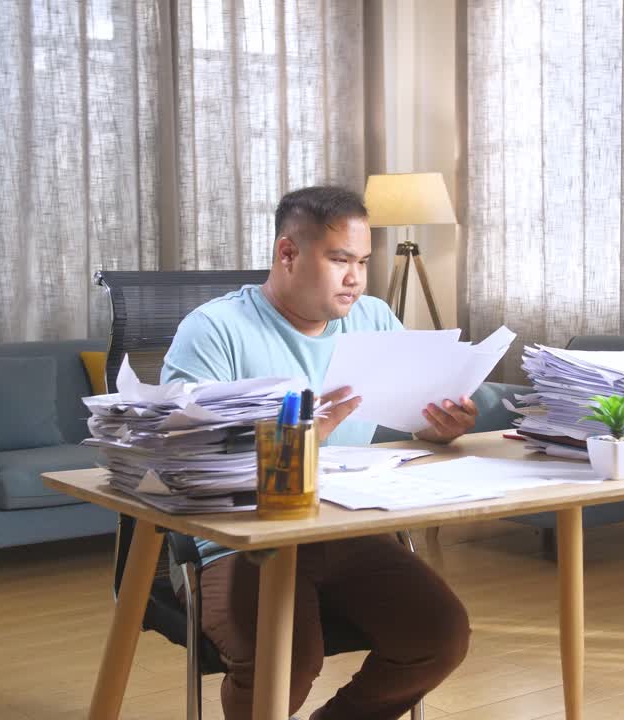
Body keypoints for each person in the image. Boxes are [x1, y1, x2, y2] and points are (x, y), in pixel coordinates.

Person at [161, 186, 478, 720]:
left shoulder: (374, 318)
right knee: (286, 659)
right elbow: (180, 452)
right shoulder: (214, 329)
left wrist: (440, 427)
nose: (355, 278)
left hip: (343, 528)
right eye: (339, 260)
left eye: (362, 262)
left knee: (439, 635)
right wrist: (302, 437)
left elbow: (411, 413)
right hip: (242, 541)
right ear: (288, 253)